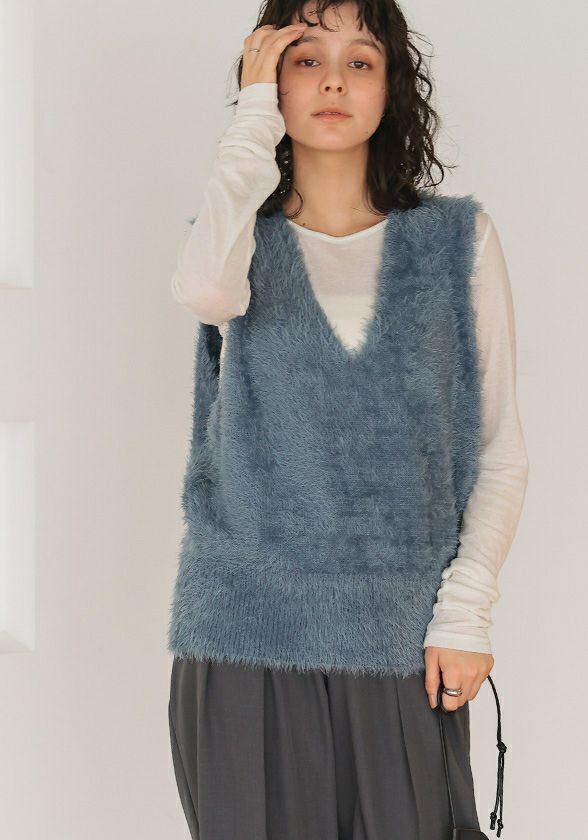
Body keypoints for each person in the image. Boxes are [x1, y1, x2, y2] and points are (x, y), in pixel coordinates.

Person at [166, 1, 529, 838]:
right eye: (305, 58)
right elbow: (206, 293)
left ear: (392, 86)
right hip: (243, 638)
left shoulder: (457, 242)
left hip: (403, 642)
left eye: (360, 60)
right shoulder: (232, 238)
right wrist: (252, 119)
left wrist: (465, 613)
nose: (333, 80)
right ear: (270, 79)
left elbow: (499, 450)